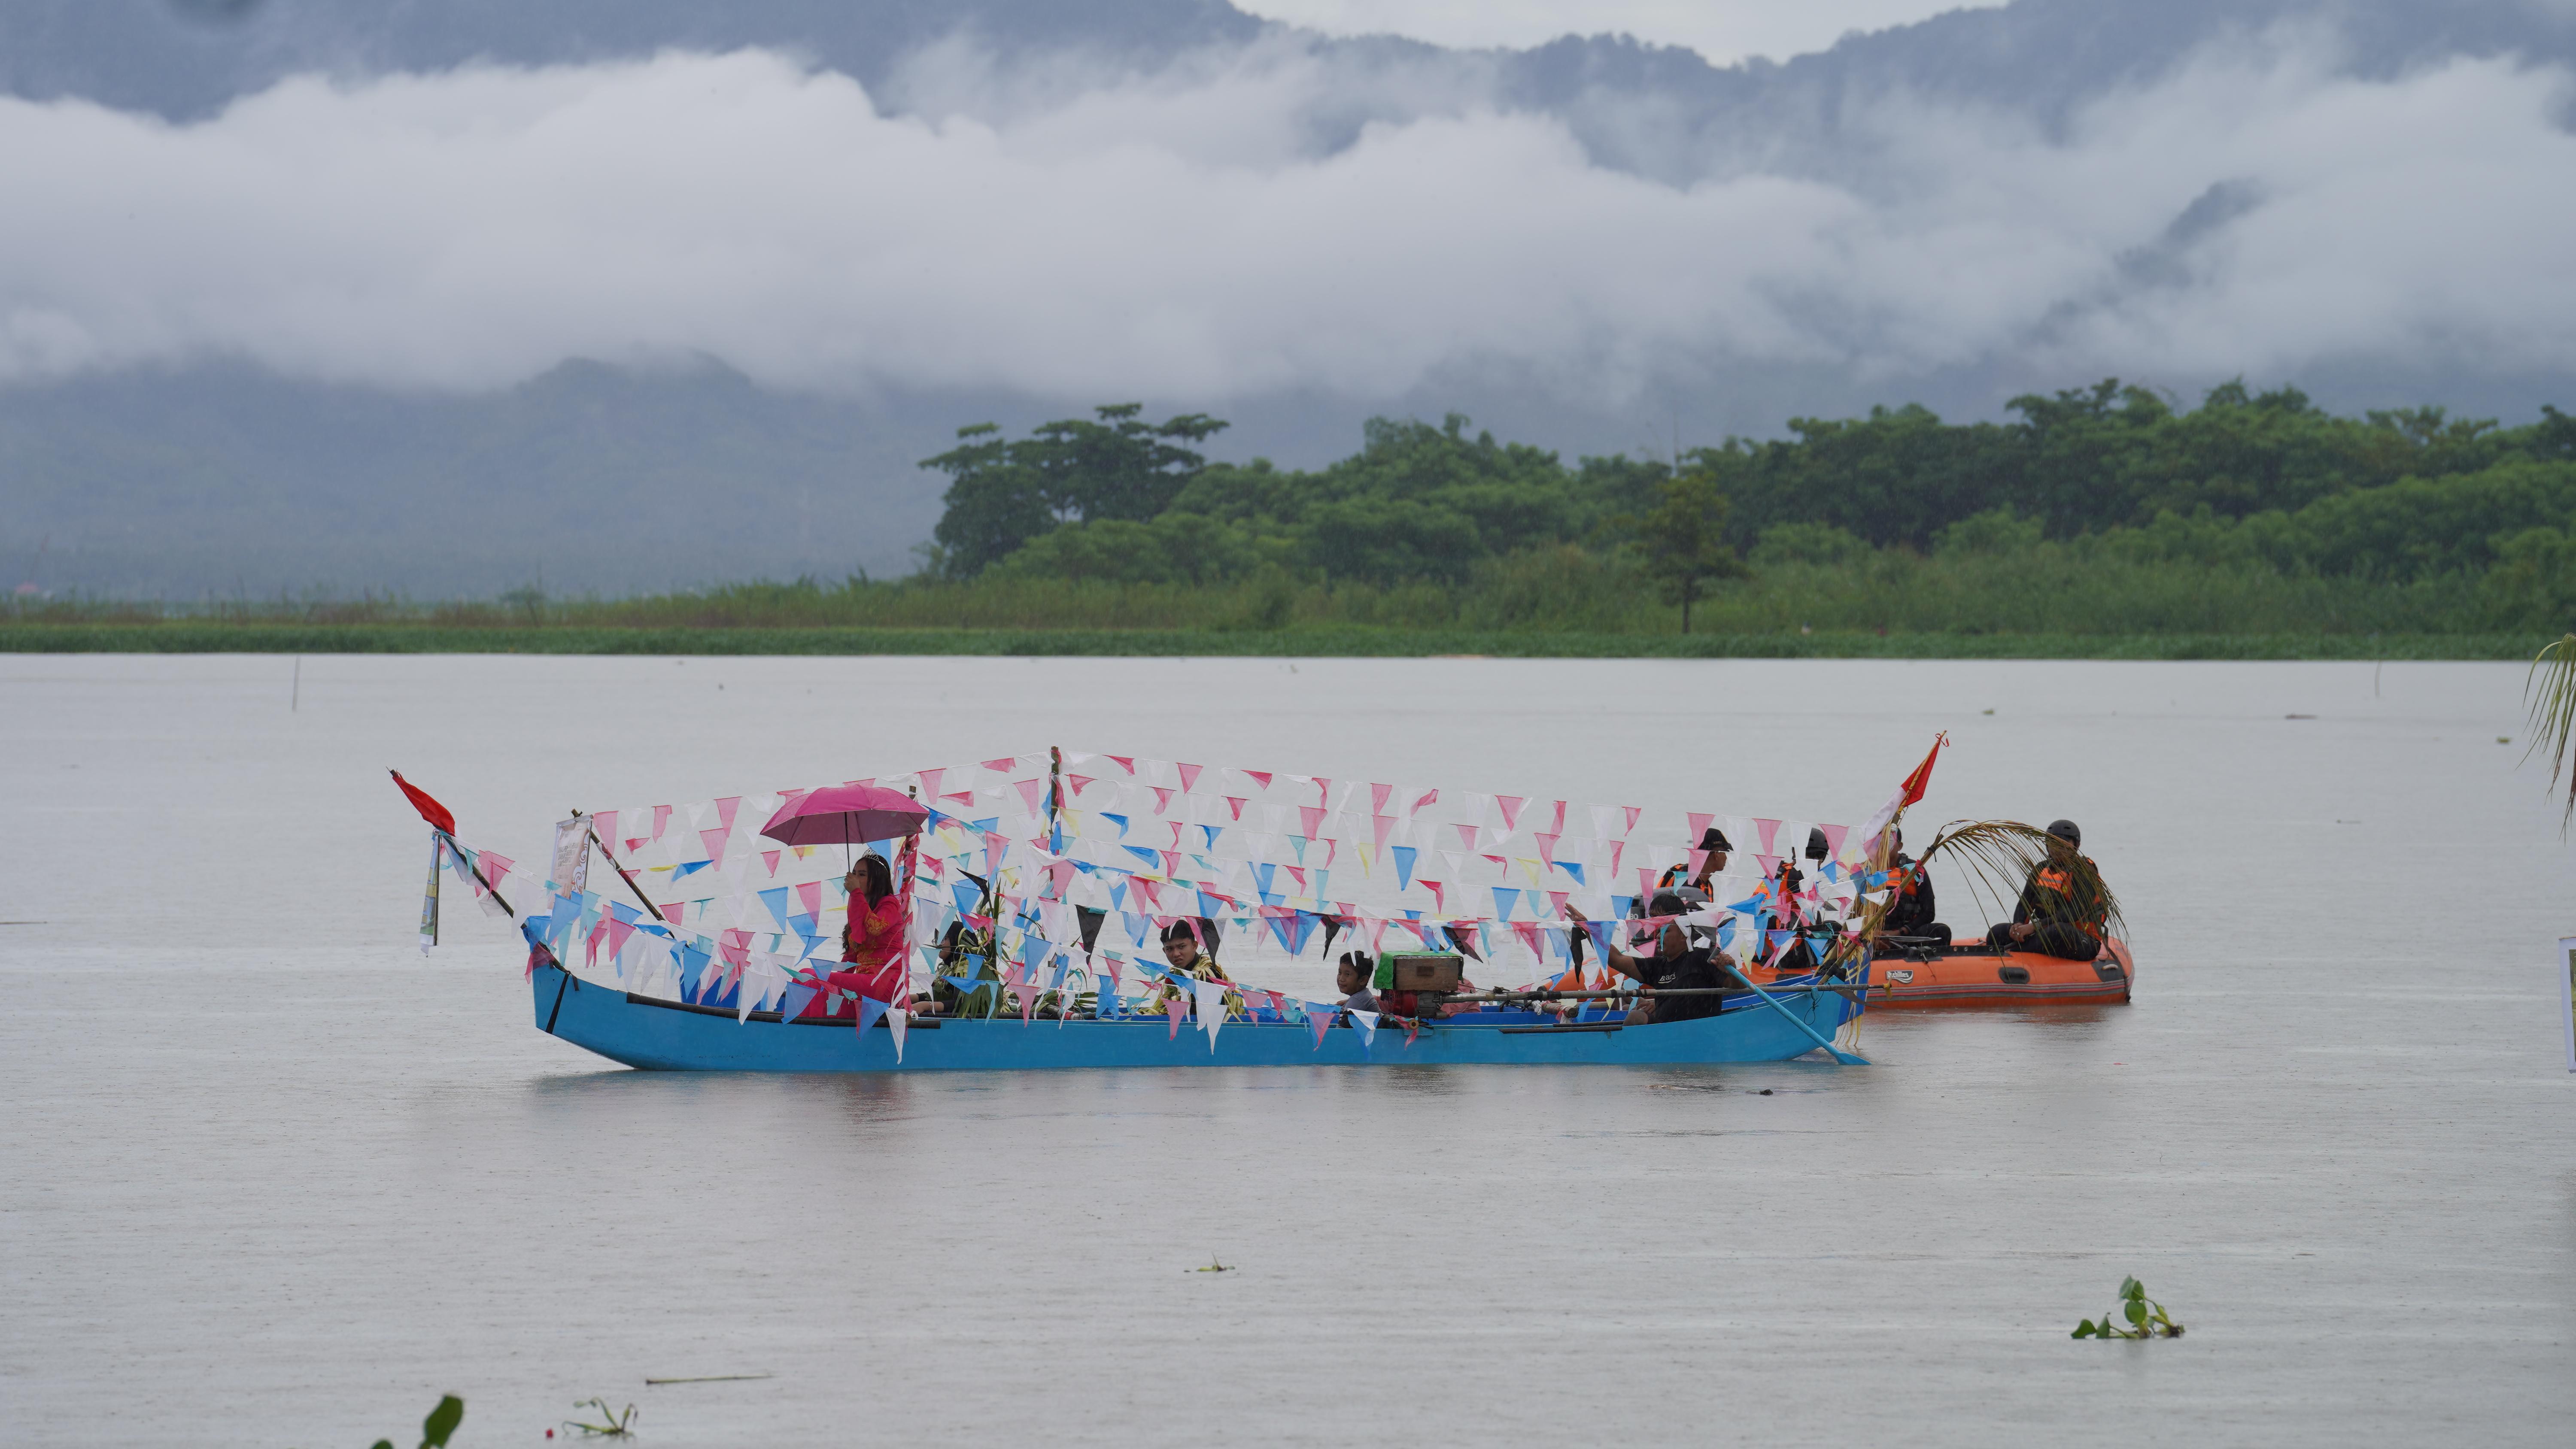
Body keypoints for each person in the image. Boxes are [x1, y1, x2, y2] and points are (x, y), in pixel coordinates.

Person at [1566, 892, 1745, 1025]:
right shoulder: (1657, 966)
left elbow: (1738, 986)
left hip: (1695, 1033)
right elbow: (1615, 958)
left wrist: (1731, 968)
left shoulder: (1703, 957)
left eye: (1665, 929)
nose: (1657, 934)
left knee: (1636, 1015)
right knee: (1633, 1008)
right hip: (1664, 1034)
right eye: (1657, 929)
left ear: (1684, 935)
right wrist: (1587, 928)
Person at [1985, 819, 2108, 959]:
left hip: (2083, 940)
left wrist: (2034, 927)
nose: (2057, 849)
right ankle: (2017, 950)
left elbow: (2075, 912)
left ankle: (2014, 953)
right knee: (1997, 932)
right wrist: (2018, 926)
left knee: (2058, 931)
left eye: (2063, 845)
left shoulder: (2085, 872)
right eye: (2053, 844)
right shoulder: (2041, 869)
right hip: (2044, 933)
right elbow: (2024, 904)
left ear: (2076, 846)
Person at [1876, 828, 1950, 948]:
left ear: (1900, 846)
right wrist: (1872, 936)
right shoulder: (1867, 873)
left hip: (1906, 936)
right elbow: (1855, 914)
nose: (1884, 847)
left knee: (1941, 930)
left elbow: (1929, 913)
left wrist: (1900, 933)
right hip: (1874, 936)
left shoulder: (1915, 871)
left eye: (1889, 842)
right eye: (1880, 842)